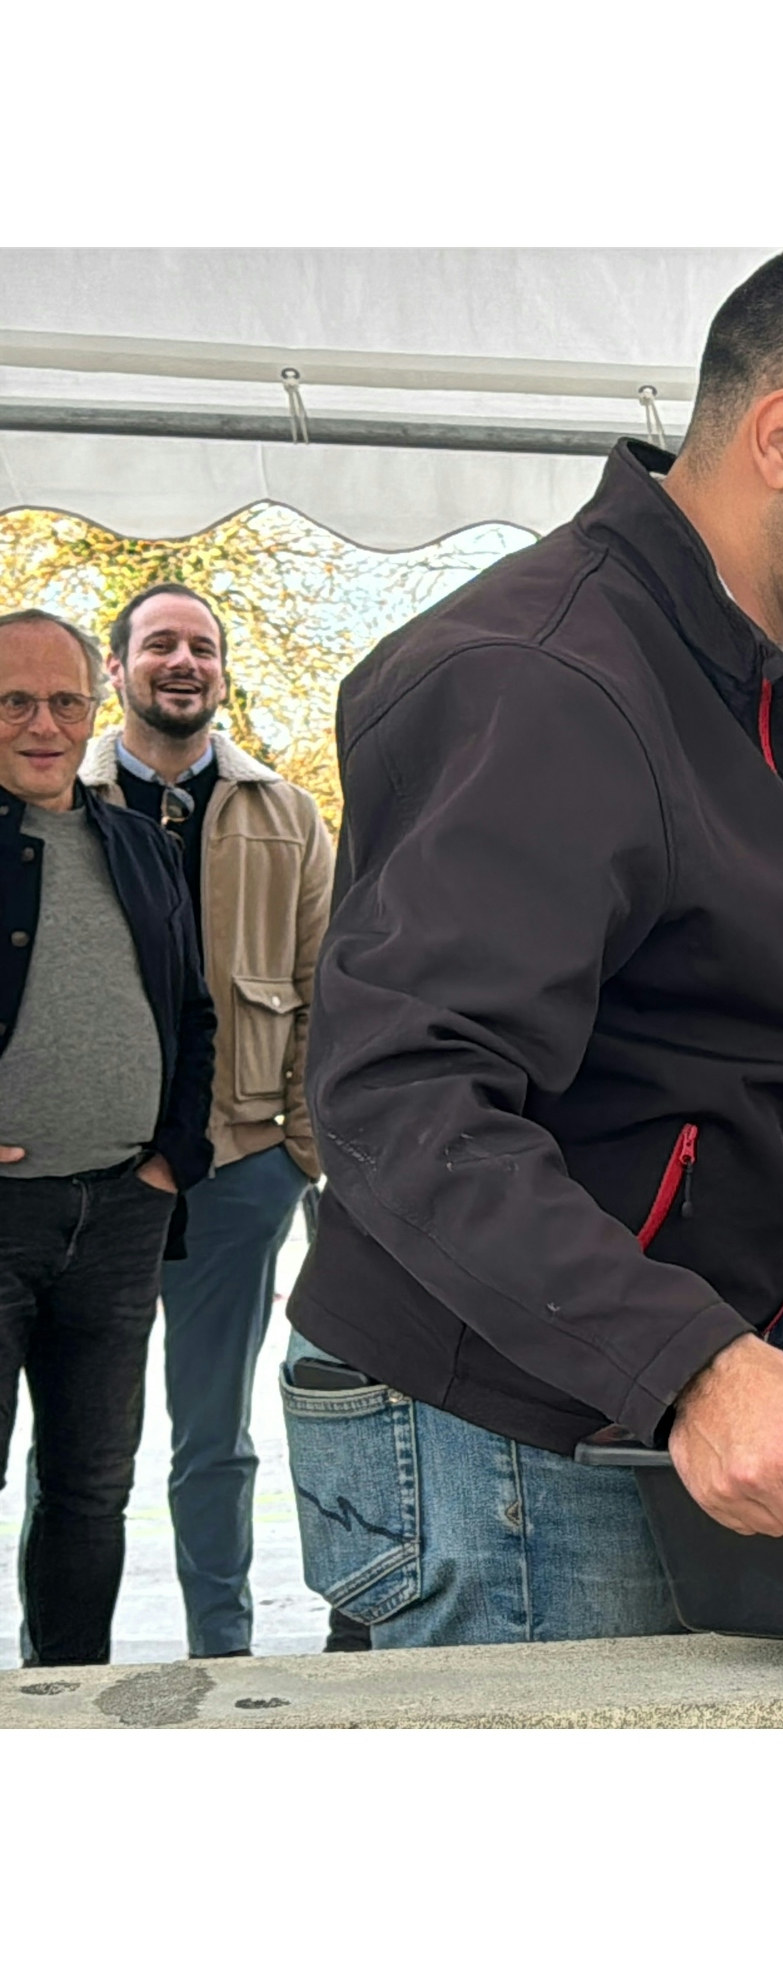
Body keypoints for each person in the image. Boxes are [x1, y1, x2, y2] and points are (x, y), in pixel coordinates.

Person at [283, 249, 783, 1650]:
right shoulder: (549, 680)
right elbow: (402, 1100)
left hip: (603, 1401)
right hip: (503, 1429)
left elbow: (717, 1075)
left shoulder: (734, 679)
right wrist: (692, 1364)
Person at [75, 583, 333, 1659]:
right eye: (160, 645)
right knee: (82, 1446)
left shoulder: (287, 811)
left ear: (223, 672)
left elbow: (326, 984)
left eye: (205, 648)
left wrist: (303, 1158)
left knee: (214, 1438)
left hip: (239, 1168)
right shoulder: (56, 799)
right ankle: (60, 1664)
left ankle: (219, 1657)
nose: (184, 662)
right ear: (118, 669)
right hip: (88, 1174)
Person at [0, 609, 213, 1664]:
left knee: (92, 1485)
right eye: (15, 700)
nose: (45, 723)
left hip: (124, 1211)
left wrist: (175, 1158)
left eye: (66, 700)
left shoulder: (139, 843)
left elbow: (195, 1009)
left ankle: (64, 1701)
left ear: (96, 704)